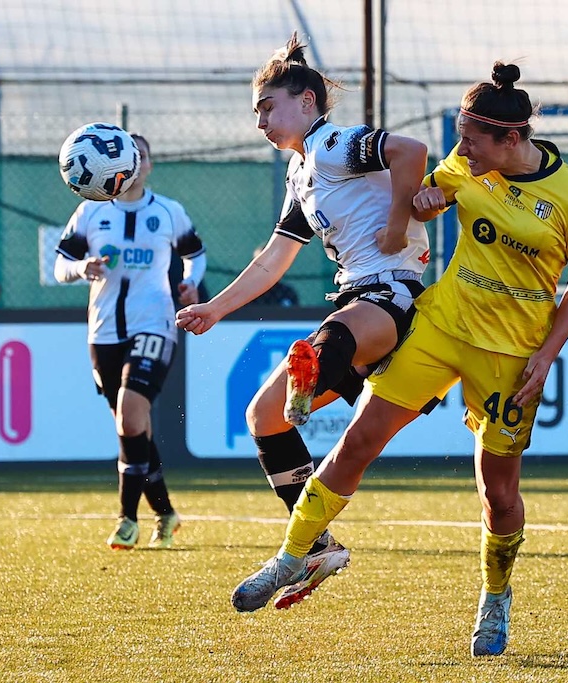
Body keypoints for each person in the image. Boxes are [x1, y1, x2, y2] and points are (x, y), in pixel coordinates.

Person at [226, 62, 568, 658]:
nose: (461, 149)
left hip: (511, 354)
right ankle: (290, 555)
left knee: (498, 494)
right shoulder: (466, 165)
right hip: (440, 326)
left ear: (512, 140)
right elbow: (426, 194)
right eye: (458, 136)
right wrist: (423, 202)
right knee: (357, 441)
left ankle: (495, 596)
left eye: (471, 139)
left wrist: (548, 352)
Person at [176, 33, 430, 609]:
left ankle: (312, 369)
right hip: (355, 300)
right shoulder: (302, 172)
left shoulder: (336, 143)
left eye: (269, 106)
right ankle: (315, 544)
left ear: (309, 101)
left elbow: (411, 151)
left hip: (395, 294)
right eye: (257, 111)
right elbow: (272, 258)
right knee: (262, 417)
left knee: (331, 340)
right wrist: (215, 309)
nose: (260, 120)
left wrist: (396, 225)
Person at [54, 133, 207, 550]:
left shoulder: (169, 212)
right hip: (103, 331)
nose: (135, 161)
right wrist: (82, 268)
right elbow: (60, 265)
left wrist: (190, 282)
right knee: (132, 427)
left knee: (129, 414)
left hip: (155, 324)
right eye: (129, 154)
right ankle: (166, 514)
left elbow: (196, 253)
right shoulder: (89, 211)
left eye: (141, 155)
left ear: (149, 165)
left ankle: (127, 520)